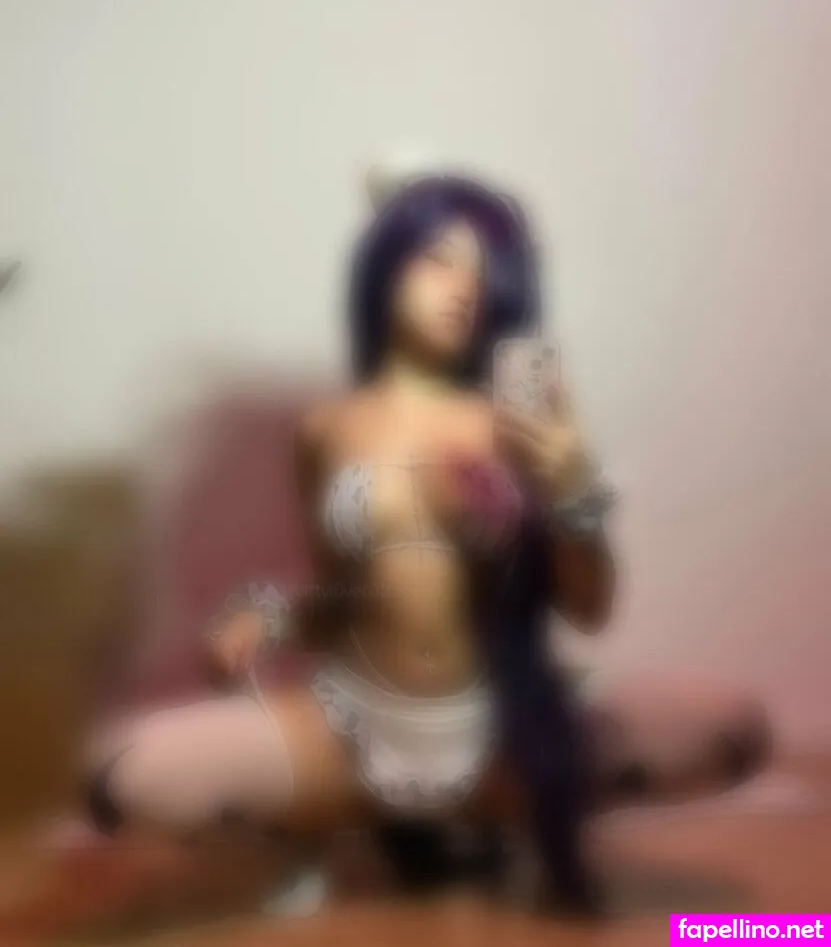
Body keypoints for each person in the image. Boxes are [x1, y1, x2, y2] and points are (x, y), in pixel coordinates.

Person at [83, 164, 771, 916]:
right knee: (128, 774)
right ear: (385, 265)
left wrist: (573, 490)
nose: (464, 287)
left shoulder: (516, 425)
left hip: (501, 734)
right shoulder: (328, 431)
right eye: (438, 259)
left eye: (484, 271)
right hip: (357, 731)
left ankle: (467, 818)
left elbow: (588, 607)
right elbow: (347, 596)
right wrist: (270, 616)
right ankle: (379, 821)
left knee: (729, 727)